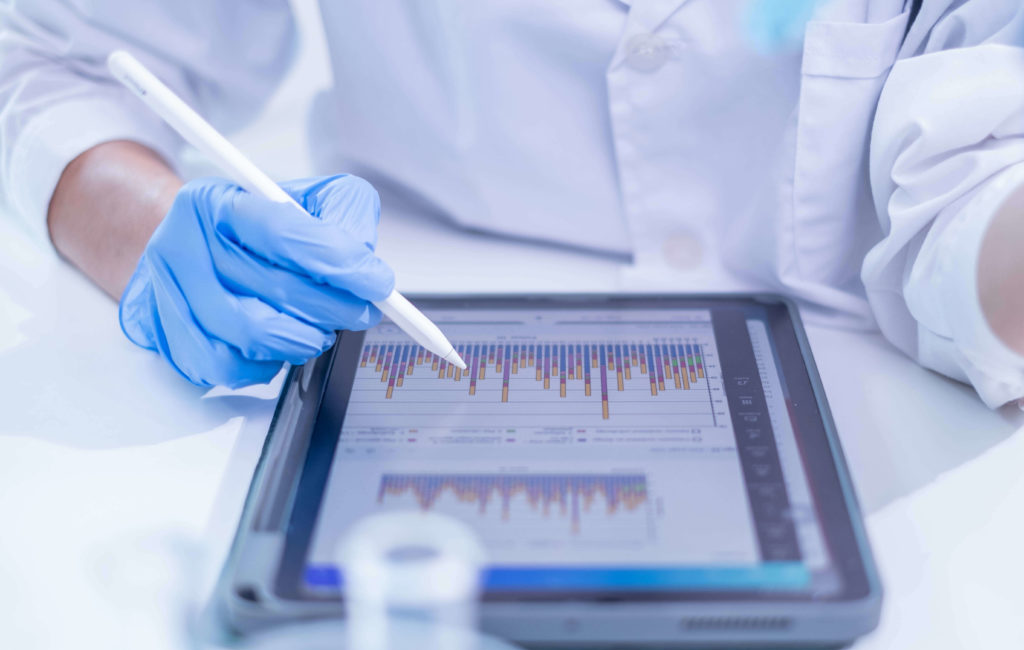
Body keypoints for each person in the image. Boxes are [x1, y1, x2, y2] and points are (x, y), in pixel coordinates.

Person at [0, 0, 1022, 406]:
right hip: (381, 351)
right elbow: (56, 56)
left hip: (895, 408)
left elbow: (986, 170)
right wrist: (153, 236)